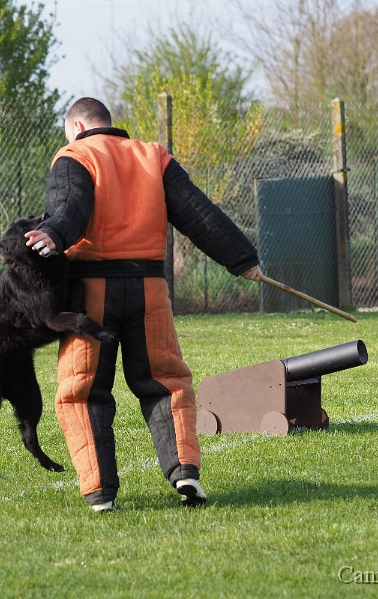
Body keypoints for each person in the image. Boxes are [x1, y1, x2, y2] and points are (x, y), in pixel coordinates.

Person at [25, 97, 262, 512]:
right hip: (150, 290)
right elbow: (199, 214)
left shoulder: (76, 155)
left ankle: (100, 493)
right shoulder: (153, 156)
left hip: (92, 294)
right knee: (166, 382)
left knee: (83, 390)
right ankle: (185, 471)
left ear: (77, 127)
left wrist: (55, 234)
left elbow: (70, 205)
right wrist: (243, 259)